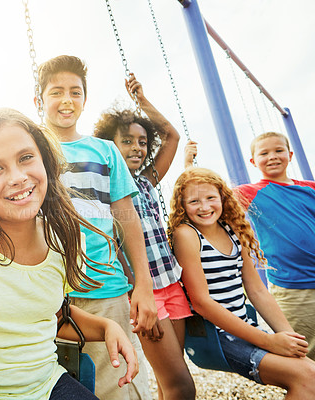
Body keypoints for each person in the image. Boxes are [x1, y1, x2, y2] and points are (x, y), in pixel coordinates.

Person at [0, 108, 139, 400]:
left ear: (44, 159)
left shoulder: (60, 236)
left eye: (25, 157)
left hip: (49, 384)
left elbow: (49, 315)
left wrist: (107, 327)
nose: (18, 177)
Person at [37, 55, 157, 400]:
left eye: (75, 92)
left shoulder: (103, 150)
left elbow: (126, 216)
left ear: (84, 100)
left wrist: (143, 286)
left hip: (105, 289)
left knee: (120, 386)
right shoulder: (30, 151)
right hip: (50, 294)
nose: (66, 100)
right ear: (39, 100)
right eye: (56, 92)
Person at [168, 166, 315, 399]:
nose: (205, 207)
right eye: (194, 201)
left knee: (310, 372)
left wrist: (289, 340)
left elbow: (257, 290)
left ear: (222, 198)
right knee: (307, 377)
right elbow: (202, 302)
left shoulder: (233, 229)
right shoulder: (187, 235)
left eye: (210, 198)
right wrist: (270, 341)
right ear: (182, 206)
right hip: (218, 336)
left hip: (245, 327)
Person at [93, 73, 196, 400]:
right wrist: (138, 291)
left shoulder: (148, 179)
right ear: (110, 145)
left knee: (173, 379)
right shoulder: (105, 188)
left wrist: (141, 99)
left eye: (141, 141)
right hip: (145, 290)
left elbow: (171, 135)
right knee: (182, 386)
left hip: (172, 284)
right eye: (127, 141)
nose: (137, 147)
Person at [233, 132, 315, 361]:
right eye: (264, 153)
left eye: (279, 151)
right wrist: (189, 163)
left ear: (289, 155)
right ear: (253, 161)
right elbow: (212, 194)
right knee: (303, 352)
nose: (272, 156)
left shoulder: (310, 188)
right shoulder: (249, 192)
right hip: (293, 288)